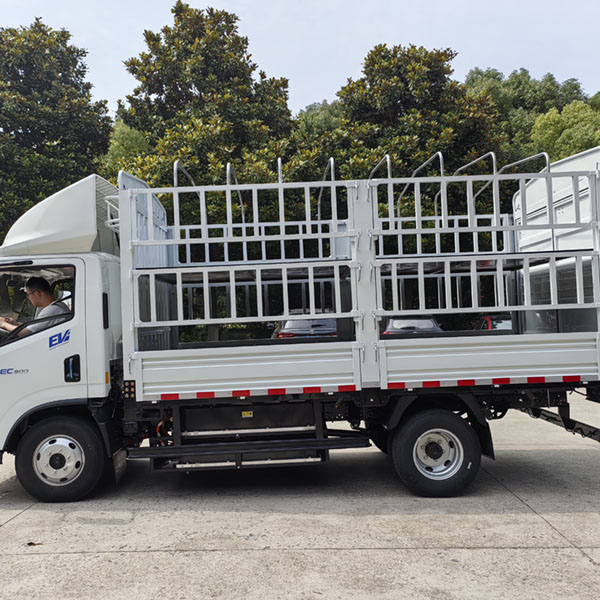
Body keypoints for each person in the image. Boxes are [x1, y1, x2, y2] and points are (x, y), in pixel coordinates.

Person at [0, 276, 70, 337]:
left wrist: (3, 324)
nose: (28, 298)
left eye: (28, 295)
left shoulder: (51, 310)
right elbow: (34, 327)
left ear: (37, 293)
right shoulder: (58, 306)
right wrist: (14, 323)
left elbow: (25, 332)